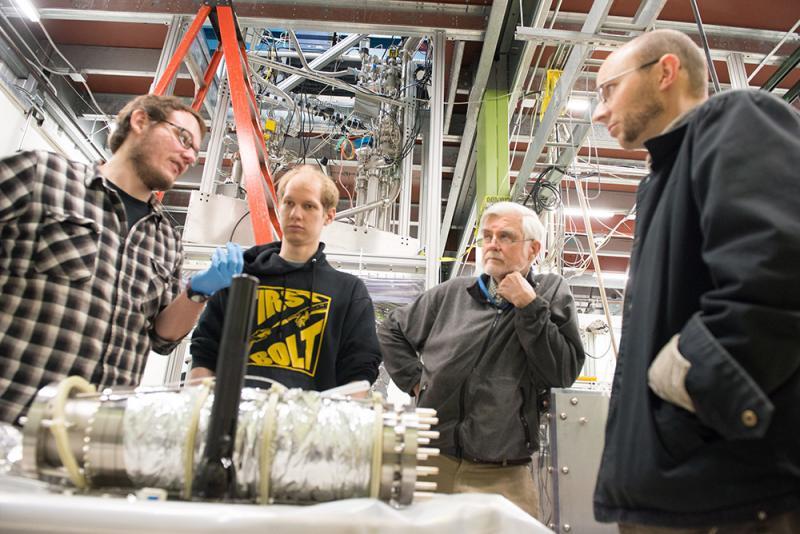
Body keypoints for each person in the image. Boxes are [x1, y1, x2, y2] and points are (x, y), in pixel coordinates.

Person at [591, 29, 800, 532]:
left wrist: (686, 391)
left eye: (608, 90)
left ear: (666, 72)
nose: (599, 113)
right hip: (684, 490)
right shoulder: (662, 179)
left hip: (730, 492)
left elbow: (778, 269)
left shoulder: (737, 117)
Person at [0, 94, 243, 425]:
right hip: (14, 413)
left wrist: (197, 292)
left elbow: (161, 337)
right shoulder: (42, 177)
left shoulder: (166, 239)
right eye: (183, 138)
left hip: (96, 438)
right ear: (140, 121)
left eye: (195, 152)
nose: (189, 156)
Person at [378, 201, 584, 518]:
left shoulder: (551, 292)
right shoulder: (452, 294)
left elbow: (562, 371)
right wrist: (417, 383)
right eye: (487, 236)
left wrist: (529, 307)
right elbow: (391, 331)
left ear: (533, 249)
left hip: (502, 474)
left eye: (505, 237)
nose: (492, 245)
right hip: (433, 462)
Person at [189, 165, 382, 393]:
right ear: (279, 206)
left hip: (307, 424)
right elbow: (205, 351)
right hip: (231, 419)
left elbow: (359, 371)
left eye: (308, 206)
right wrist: (197, 410)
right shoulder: (239, 277)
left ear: (328, 216)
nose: (296, 214)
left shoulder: (348, 291)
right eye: (289, 203)